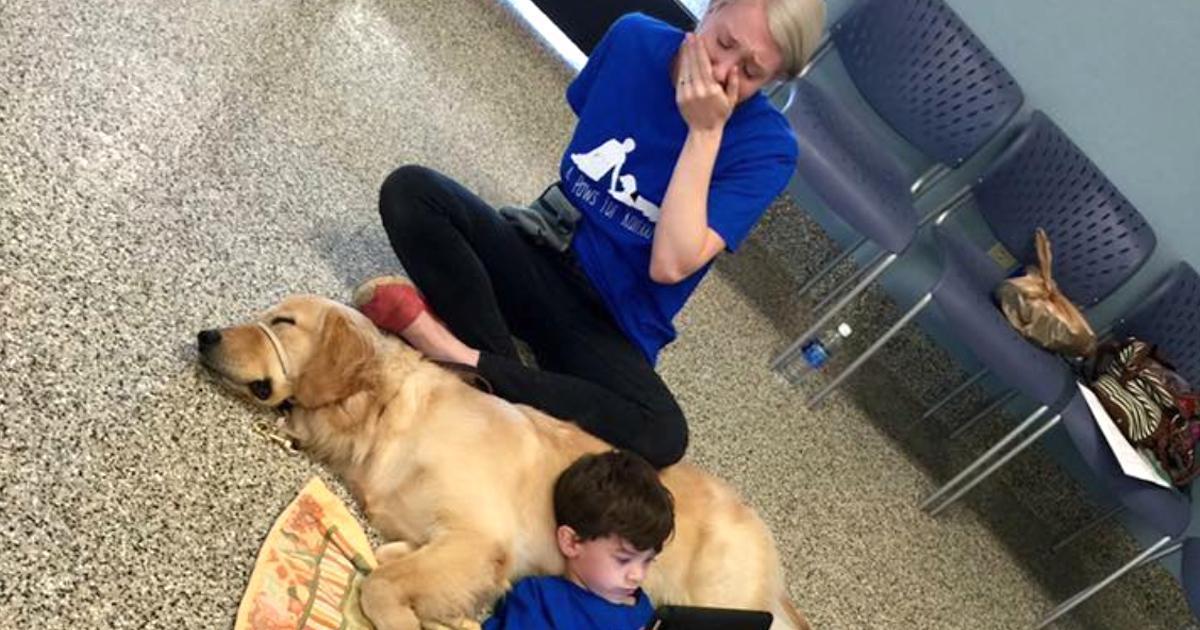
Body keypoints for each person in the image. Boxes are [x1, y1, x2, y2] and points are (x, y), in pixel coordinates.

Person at [355, 0, 826, 467]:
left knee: (663, 432)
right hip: (540, 252)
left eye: (750, 72)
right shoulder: (633, 38)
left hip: (610, 322)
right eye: (723, 43)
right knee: (411, 193)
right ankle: (507, 382)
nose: (723, 72)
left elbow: (670, 264)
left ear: (772, 81)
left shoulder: (769, 149)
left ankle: (460, 356)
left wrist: (704, 133)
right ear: (711, 9)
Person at [482, 450, 674, 629]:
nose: (638, 575)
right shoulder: (540, 599)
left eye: (647, 561)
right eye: (623, 559)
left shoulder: (644, 610)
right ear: (571, 542)